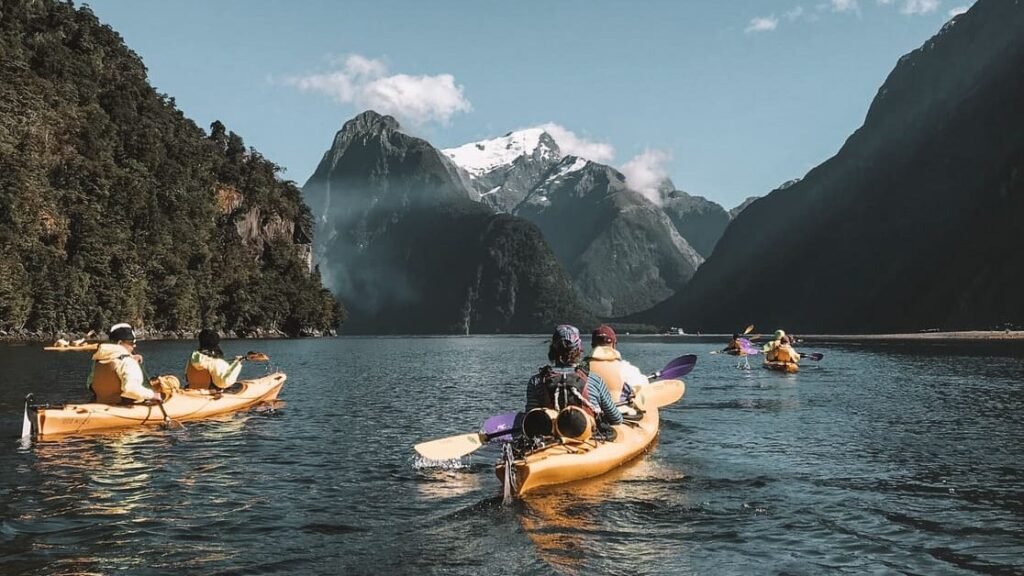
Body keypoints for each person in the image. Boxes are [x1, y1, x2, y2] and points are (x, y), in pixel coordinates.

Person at [526, 325, 623, 437]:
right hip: (587, 439)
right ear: (578, 349)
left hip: (549, 438)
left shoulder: (536, 381)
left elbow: (530, 417)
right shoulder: (594, 380)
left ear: (552, 350)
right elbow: (616, 418)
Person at [87, 323, 161, 405]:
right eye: (131, 342)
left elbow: (90, 385)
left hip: (101, 403)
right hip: (124, 407)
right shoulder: (128, 362)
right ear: (119, 343)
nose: (134, 345)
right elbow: (130, 389)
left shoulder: (99, 360)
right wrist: (153, 395)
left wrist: (131, 356)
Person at [581, 324, 647, 403]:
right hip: (618, 411)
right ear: (614, 345)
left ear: (592, 345)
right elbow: (643, 387)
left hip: (590, 410)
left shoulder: (581, 368)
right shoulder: (628, 369)